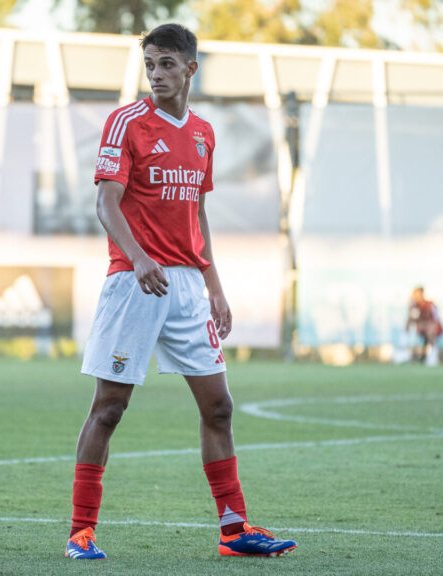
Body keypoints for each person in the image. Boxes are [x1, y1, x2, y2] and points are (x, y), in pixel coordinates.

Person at [65, 24, 297, 560]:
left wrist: (215, 287)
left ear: (191, 68)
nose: (156, 74)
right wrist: (140, 256)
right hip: (134, 281)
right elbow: (107, 204)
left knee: (219, 407)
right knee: (109, 408)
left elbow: (197, 213)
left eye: (167, 63)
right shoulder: (126, 122)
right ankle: (81, 532)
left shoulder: (203, 134)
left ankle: (234, 530)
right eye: (150, 64)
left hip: (189, 286)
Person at [405, 286, 443, 367]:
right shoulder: (414, 306)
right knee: (410, 332)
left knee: (430, 332)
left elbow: (436, 319)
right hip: (420, 330)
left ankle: (432, 356)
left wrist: (431, 327)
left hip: (432, 329)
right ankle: (408, 355)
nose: (416, 297)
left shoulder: (429, 304)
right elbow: (411, 319)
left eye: (418, 295)